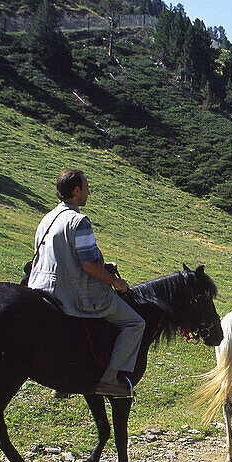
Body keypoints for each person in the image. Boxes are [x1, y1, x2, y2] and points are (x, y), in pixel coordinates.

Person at [27, 170, 144, 397]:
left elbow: (61, 257)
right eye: (86, 188)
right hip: (71, 293)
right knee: (135, 323)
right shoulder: (79, 221)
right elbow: (88, 265)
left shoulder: (47, 218)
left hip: (41, 287)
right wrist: (115, 281)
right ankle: (109, 379)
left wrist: (103, 265)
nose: (89, 192)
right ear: (76, 190)